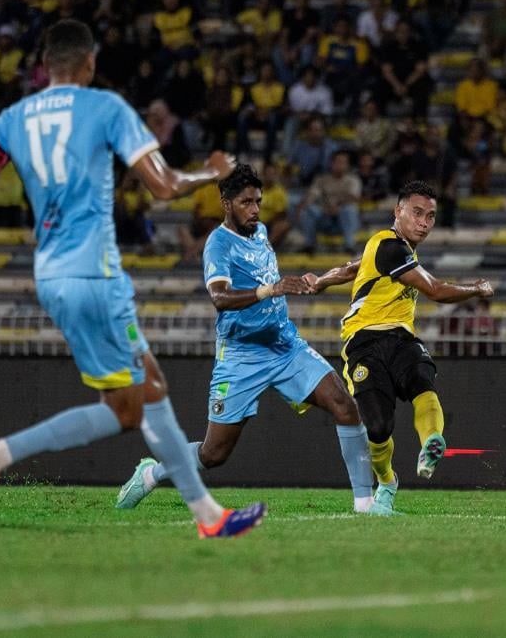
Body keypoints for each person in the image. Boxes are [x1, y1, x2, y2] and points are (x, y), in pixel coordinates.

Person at [0, 19, 264, 538]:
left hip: (51, 277)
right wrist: (213, 173)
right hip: (95, 272)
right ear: (90, 63)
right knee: (145, 394)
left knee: (128, 404)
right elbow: (162, 186)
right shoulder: (105, 108)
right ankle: (206, 516)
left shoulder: (9, 120)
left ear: (44, 66)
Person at [115, 164, 381, 515]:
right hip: (241, 355)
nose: (255, 209)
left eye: (258, 201)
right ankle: (151, 474)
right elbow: (220, 297)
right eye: (246, 202)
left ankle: (366, 507)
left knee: (344, 406)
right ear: (226, 204)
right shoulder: (218, 244)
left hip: (285, 346)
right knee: (214, 454)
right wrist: (272, 289)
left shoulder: (260, 231)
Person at [303, 181, 495, 513]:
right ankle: (388, 482)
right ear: (398, 211)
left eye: (431, 216)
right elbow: (434, 289)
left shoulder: (389, 248)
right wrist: (475, 288)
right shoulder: (390, 247)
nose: (425, 222)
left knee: (422, 378)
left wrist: (321, 280)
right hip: (364, 341)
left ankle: (432, 442)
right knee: (378, 427)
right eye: (417, 213)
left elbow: (352, 268)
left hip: (402, 338)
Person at [298, 151, 362, 254]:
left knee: (350, 210)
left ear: (347, 165)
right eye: (337, 162)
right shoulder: (322, 180)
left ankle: (349, 245)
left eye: (343, 162)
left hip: (343, 220)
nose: (340, 165)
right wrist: (303, 205)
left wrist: (337, 205)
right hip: (325, 216)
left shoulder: (353, 180)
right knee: (309, 210)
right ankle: (309, 245)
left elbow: (354, 197)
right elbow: (312, 195)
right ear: (331, 163)